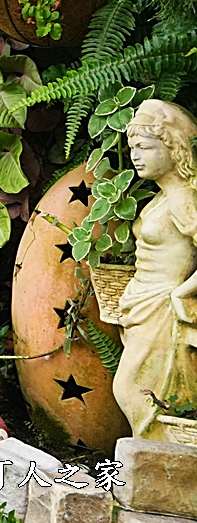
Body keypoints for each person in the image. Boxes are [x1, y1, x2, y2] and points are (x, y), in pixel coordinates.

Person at [112, 99, 197, 439]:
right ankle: (149, 466)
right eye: (132, 147)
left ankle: (155, 467)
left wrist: (183, 292)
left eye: (145, 147)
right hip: (142, 304)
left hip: (164, 307)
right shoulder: (158, 199)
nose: (135, 155)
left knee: (133, 390)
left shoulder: (183, 199)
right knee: (142, 393)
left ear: (174, 149)